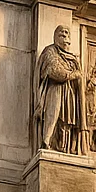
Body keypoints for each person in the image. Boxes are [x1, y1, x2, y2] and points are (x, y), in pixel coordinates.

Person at [34, 25, 83, 153]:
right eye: (61, 33)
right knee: (53, 114)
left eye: (67, 33)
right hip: (55, 89)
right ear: (56, 36)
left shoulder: (72, 57)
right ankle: (47, 142)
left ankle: (63, 147)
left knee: (67, 119)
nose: (65, 36)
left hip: (69, 92)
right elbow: (54, 71)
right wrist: (72, 74)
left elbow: (81, 75)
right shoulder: (50, 51)